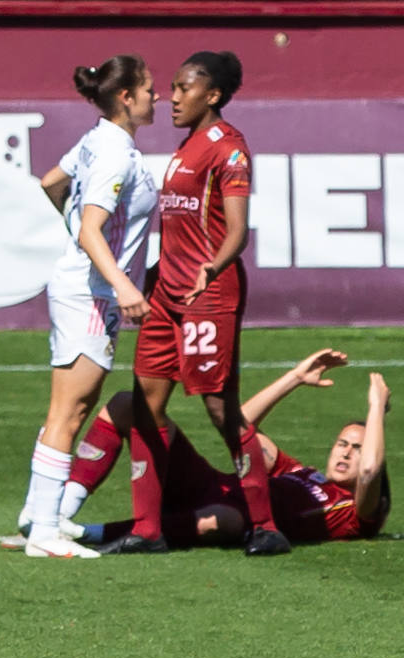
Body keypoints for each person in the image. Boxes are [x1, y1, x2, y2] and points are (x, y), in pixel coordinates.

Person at [120, 50, 292, 557]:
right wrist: (151, 277)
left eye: (183, 88)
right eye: (170, 87)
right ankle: (145, 530)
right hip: (165, 297)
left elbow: (236, 231)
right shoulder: (185, 147)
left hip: (207, 298)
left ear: (212, 94)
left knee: (221, 410)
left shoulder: (228, 149)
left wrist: (210, 269)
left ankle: (265, 525)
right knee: (144, 406)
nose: (171, 97)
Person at [9, 349, 389, 553]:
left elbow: (370, 471)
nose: (345, 453)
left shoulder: (354, 512)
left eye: (356, 448)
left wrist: (376, 409)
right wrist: (294, 378)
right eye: (342, 443)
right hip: (207, 485)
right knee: (129, 404)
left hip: (222, 515)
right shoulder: (301, 473)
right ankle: (58, 515)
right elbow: (239, 423)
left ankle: (85, 533)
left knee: (224, 520)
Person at [16, 55, 159, 559]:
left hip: (81, 285)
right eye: (149, 89)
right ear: (126, 97)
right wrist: (122, 284)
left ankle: (40, 517)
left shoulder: (97, 139)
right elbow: (89, 228)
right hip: (91, 293)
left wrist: (84, 246)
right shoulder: (115, 153)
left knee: (67, 407)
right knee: (71, 410)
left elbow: (51, 183)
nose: (156, 97)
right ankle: (45, 534)